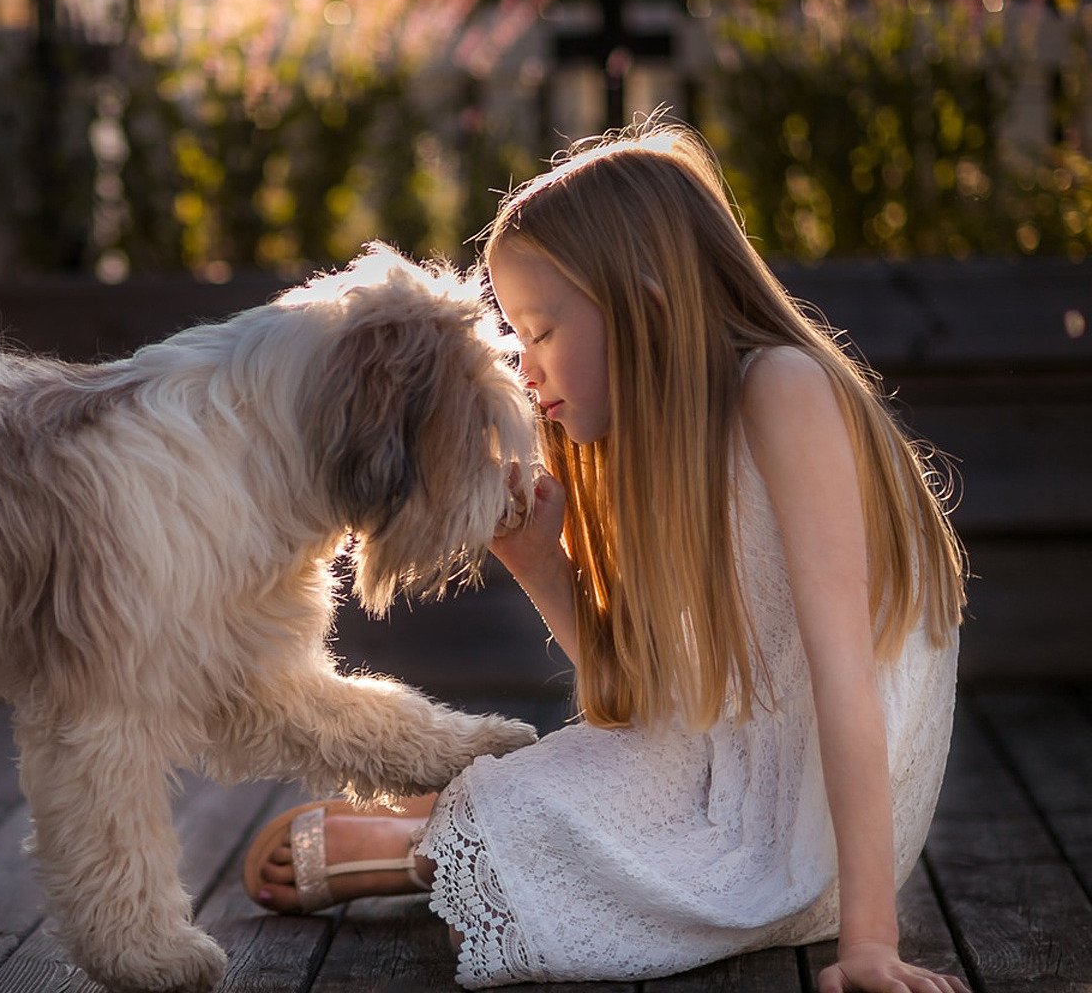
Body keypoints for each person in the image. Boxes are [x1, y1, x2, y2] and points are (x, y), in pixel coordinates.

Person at [241, 121, 969, 993]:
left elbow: (847, 680)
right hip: (724, 774)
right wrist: (541, 565)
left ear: (646, 305)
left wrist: (870, 946)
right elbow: (653, 703)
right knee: (608, 789)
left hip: (829, 821)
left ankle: (430, 846)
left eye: (540, 330)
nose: (525, 367)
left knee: (681, 866)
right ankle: (458, 837)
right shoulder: (646, 444)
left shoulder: (784, 389)